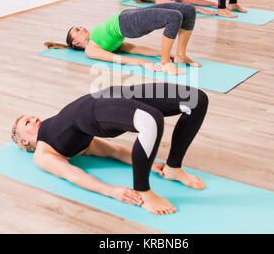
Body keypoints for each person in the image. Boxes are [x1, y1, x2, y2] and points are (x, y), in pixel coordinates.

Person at [11, 82, 209, 215]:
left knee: (197, 100)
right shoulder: (43, 153)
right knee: (150, 120)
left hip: (108, 94)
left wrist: (152, 164)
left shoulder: (67, 134)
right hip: (91, 112)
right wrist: (110, 191)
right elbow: (71, 174)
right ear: (25, 141)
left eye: (31, 116)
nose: (34, 119)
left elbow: (113, 152)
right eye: (27, 122)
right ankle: (144, 191)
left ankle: (173, 167)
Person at [45, 2, 200, 75]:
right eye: (77, 30)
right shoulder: (91, 49)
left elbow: (134, 49)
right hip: (128, 23)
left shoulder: (102, 40)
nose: (82, 28)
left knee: (188, 10)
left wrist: (159, 52)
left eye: (79, 26)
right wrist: (142, 62)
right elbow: (116, 59)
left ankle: (180, 55)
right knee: (174, 17)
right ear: (75, 42)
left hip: (127, 15)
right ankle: (165, 63)